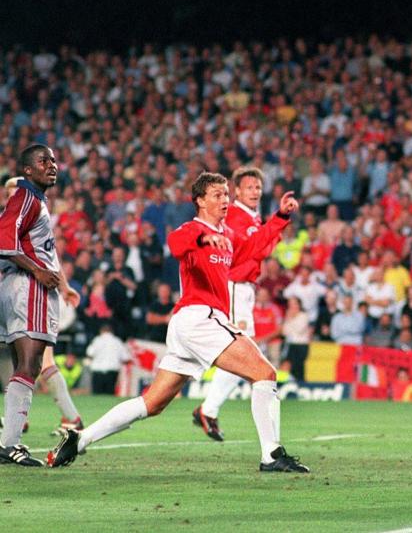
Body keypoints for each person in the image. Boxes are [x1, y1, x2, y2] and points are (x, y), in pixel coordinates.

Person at [48, 172, 309, 472]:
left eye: (226, 194)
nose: (224, 200)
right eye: (217, 195)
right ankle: (271, 454)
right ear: (199, 201)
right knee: (264, 373)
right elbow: (174, 242)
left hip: (189, 324)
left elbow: (254, 247)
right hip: (201, 317)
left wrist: (280, 217)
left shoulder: (228, 235)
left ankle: (79, 439)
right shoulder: (194, 229)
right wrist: (202, 237)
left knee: (152, 403)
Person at [193, 167, 293, 443]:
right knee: (242, 353)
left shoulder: (251, 217)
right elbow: (251, 250)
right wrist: (278, 225)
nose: (254, 192)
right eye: (249, 187)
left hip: (245, 288)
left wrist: (272, 233)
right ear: (237, 191)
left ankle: (207, 409)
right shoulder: (236, 216)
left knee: (241, 355)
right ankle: (207, 409)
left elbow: (262, 250)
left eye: (258, 188)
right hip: (235, 287)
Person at [0, 148, 83, 466]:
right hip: (28, 288)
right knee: (31, 363)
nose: (51, 166)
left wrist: (61, 283)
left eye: (53, 160)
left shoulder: (37, 201)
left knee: (26, 363)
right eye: (42, 162)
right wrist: (36, 271)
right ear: (27, 171)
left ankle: (8, 442)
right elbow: (4, 241)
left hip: (26, 285)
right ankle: (12, 443)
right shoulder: (26, 197)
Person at [86, 325, 132, 395]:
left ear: (101, 331)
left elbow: (89, 353)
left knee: (96, 396)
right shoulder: (117, 341)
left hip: (97, 372)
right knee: (109, 395)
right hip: (112, 372)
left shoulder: (97, 340)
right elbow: (126, 358)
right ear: (111, 332)